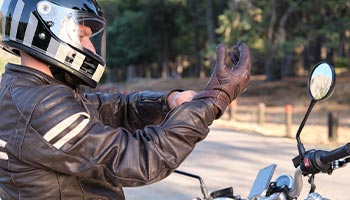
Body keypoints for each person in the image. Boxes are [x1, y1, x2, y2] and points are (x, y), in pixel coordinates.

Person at [0, 0, 251, 199]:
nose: (91, 48)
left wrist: (168, 101)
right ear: (44, 32)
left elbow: (110, 109)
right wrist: (214, 100)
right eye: (81, 35)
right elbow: (141, 160)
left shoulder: (27, 90)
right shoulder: (38, 104)